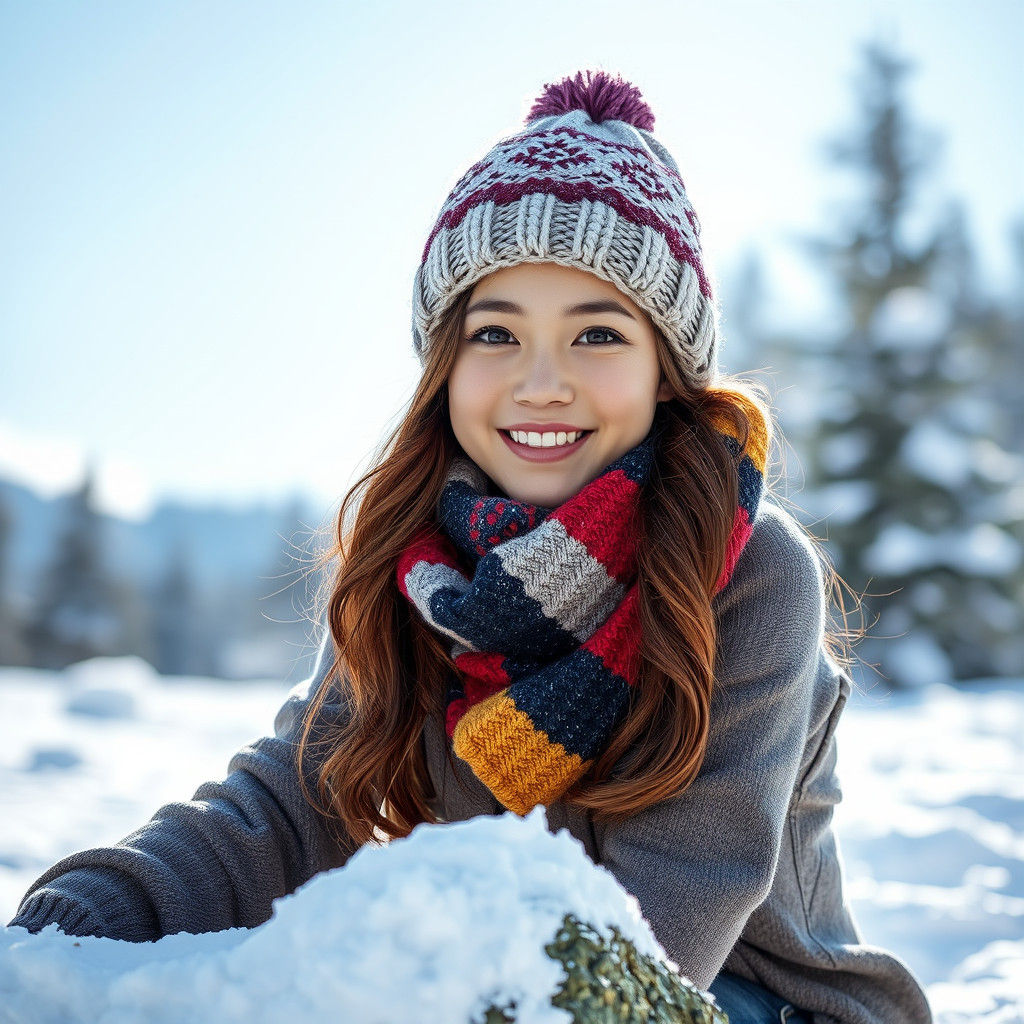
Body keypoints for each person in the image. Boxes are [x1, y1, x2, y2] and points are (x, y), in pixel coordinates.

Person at [7, 69, 933, 1024]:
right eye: (496, 332)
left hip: (747, 997)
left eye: (598, 335)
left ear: (666, 370)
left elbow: (676, 905)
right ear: (445, 365)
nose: (541, 383)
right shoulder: (420, 573)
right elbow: (294, 802)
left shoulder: (743, 566)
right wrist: (83, 923)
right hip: (509, 985)